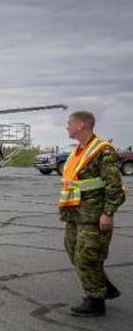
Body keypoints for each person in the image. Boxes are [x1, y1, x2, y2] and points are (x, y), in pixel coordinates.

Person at [60, 111, 126, 317]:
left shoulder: (102, 151)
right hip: (75, 213)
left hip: (93, 214)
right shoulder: (78, 151)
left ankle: (96, 301)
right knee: (73, 251)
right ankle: (102, 286)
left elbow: (115, 186)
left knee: (87, 256)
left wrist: (108, 213)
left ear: (81, 125)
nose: (67, 127)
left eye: (69, 123)